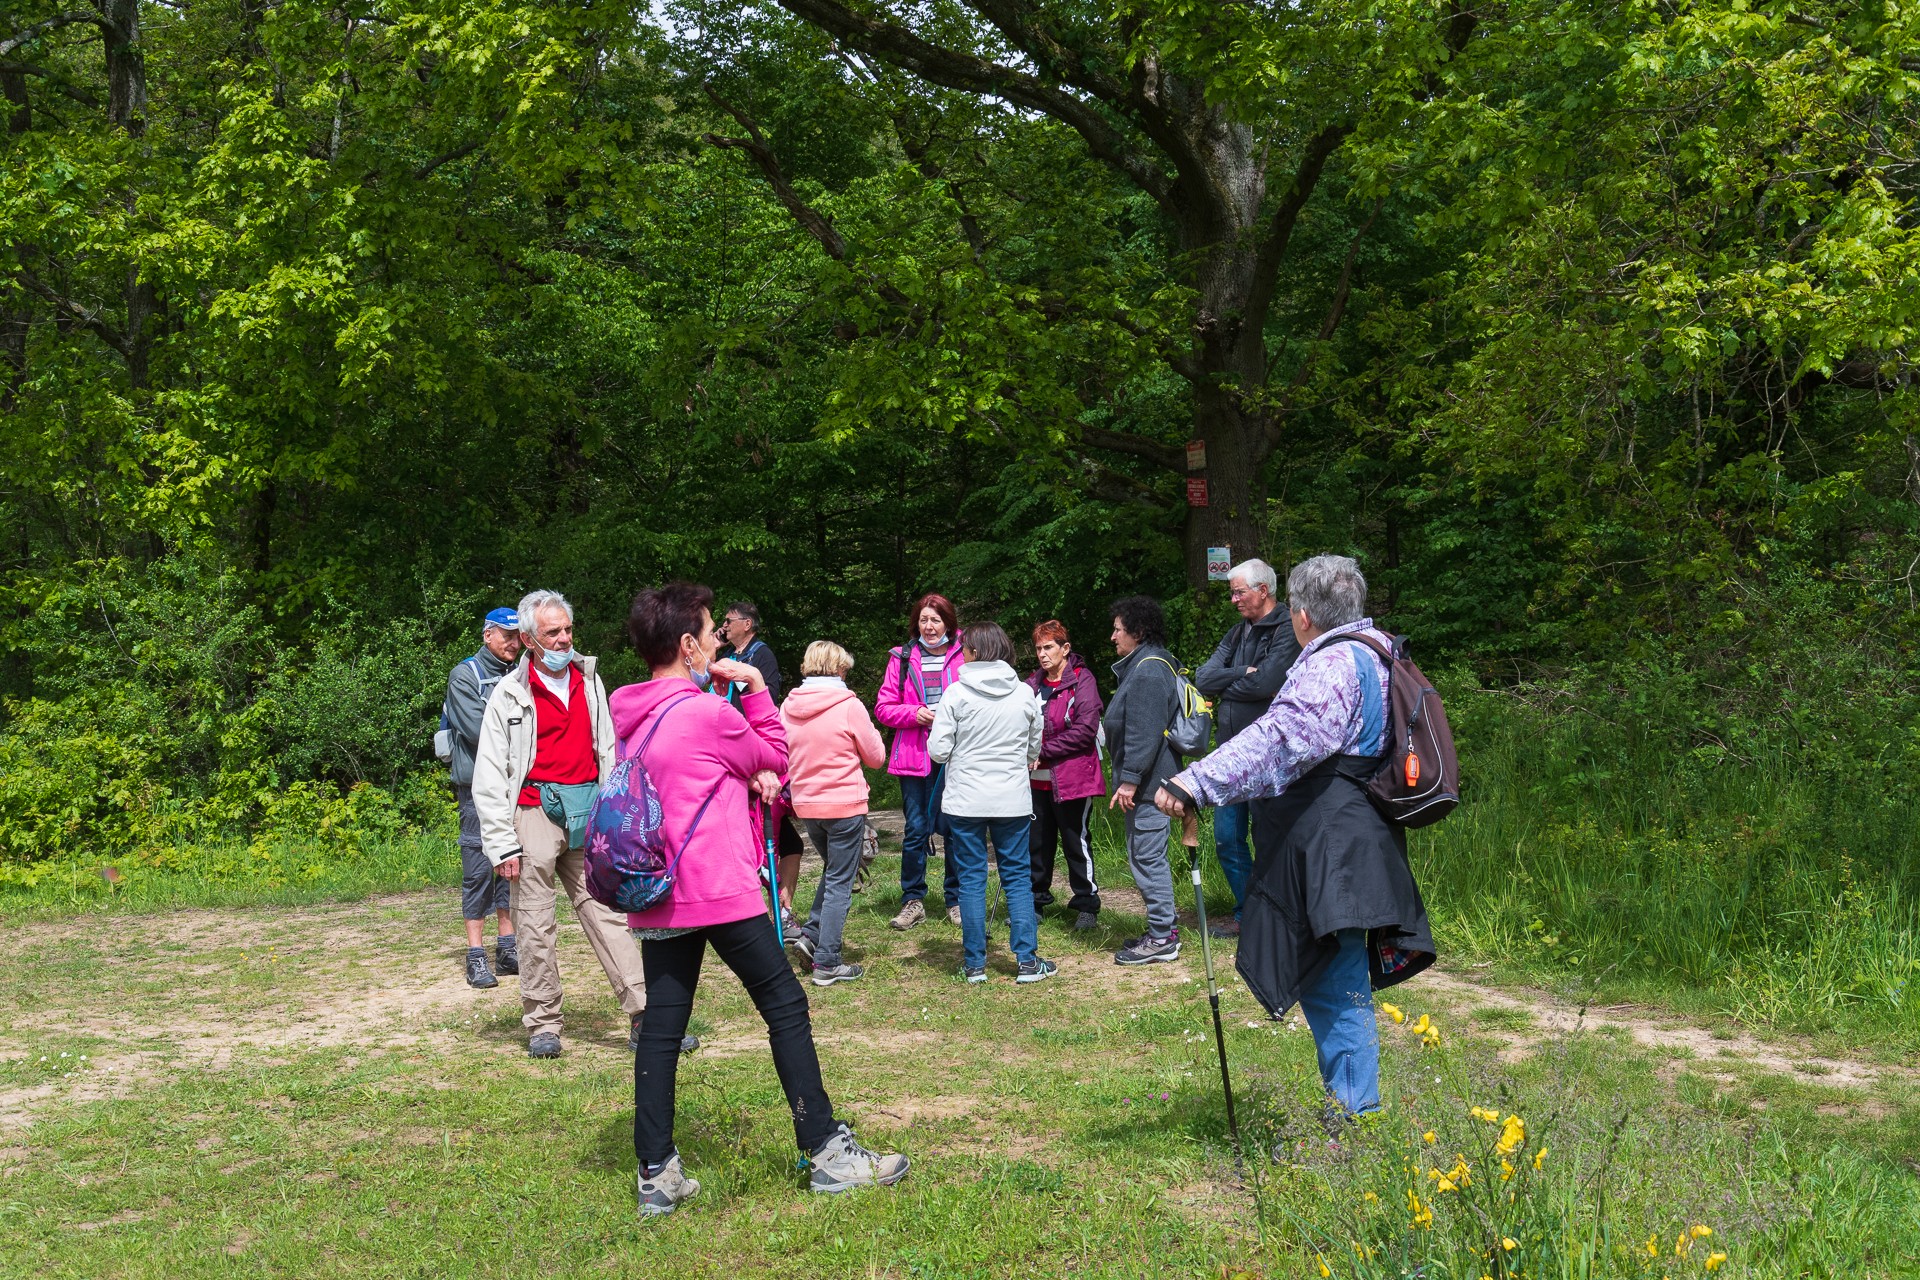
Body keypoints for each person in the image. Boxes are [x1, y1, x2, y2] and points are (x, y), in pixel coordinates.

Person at [614, 583, 908, 1214]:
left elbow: (711, 772)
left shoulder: (630, 713)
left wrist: (744, 770)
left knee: (663, 1028)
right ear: (689, 645)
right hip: (719, 889)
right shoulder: (708, 712)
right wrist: (753, 685)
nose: (720, 639)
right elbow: (775, 754)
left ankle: (655, 1172)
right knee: (785, 1006)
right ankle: (827, 1150)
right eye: (713, 631)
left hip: (658, 891)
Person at [1153, 555, 1435, 1124]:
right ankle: (1353, 1109)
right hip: (1353, 833)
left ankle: (1355, 1118)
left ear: (1302, 614)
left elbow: (1282, 740)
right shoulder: (1378, 651)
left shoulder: (1333, 664)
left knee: (1334, 976)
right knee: (1334, 969)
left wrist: (1197, 781)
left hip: (1331, 840)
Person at [471, 589, 665, 1060]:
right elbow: (491, 770)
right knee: (534, 923)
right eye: (551, 632)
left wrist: (618, 813)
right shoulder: (509, 692)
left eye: (567, 630)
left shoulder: (590, 680)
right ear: (529, 639)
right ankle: (543, 1024)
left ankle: (645, 1014)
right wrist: (502, 844)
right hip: (534, 813)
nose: (563, 639)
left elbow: (609, 751)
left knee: (609, 915)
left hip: (591, 813)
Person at [927, 622, 1054, 984]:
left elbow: (937, 751)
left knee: (970, 879)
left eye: (965, 647)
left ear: (976, 652)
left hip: (965, 801)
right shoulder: (1024, 694)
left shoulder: (956, 693)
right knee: (1017, 878)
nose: (961, 652)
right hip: (1012, 800)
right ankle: (1027, 962)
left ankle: (975, 965)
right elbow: (1034, 747)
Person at [1192, 558, 1301, 938]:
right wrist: (1241, 674)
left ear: (1263, 590)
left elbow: (1267, 683)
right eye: (1231, 592)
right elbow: (1202, 678)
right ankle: (1248, 911)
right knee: (1226, 838)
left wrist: (1240, 684)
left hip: (1268, 755)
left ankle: (1278, 915)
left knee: (1268, 837)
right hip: (1228, 752)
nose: (1234, 599)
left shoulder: (1287, 628)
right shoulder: (1237, 633)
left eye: (1239, 592)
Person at [781, 641, 887, 986]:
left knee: (833, 872)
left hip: (808, 805)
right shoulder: (848, 704)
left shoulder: (788, 705)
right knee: (841, 880)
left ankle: (811, 935)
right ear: (839, 670)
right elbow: (875, 757)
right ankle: (828, 961)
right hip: (844, 803)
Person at [874, 593, 966, 930]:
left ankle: (955, 901)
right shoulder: (901, 657)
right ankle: (913, 901)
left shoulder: (966, 654)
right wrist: (916, 713)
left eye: (936, 620)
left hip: (956, 756)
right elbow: (883, 707)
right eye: (924, 620)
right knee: (915, 830)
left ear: (948, 623)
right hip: (914, 756)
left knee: (956, 829)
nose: (929, 626)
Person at [1101, 595, 1184, 966]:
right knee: (1146, 856)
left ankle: (1162, 937)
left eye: (1118, 629)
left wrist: (1130, 779)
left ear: (1137, 631)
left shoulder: (1149, 671)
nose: (1113, 637)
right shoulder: (1146, 666)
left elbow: (1144, 732)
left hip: (1151, 786)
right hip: (1151, 783)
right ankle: (1164, 927)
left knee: (1147, 858)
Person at [444, 607, 524, 988]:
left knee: (510, 867)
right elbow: (480, 732)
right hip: (477, 789)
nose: (513, 643)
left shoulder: (522, 674)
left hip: (516, 787)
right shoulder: (465, 676)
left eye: (517, 636)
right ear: (487, 635)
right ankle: (475, 954)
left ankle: (507, 948)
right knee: (478, 870)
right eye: (506, 636)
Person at [1024, 620, 1105, 931]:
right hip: (1034, 780)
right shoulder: (1032, 683)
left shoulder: (1082, 680)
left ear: (1065, 649)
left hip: (1073, 777)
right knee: (1037, 843)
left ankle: (1087, 905)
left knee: (1076, 841)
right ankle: (1036, 901)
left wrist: (1042, 751)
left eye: (1048, 647)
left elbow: (1085, 730)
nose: (1042, 655)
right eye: (1038, 649)